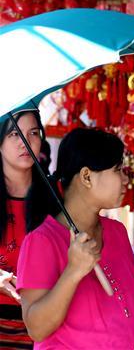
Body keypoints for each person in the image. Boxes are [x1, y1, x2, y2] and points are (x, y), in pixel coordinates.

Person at [16, 128, 134, 349]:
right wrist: (73, 272)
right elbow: (36, 329)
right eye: (117, 170)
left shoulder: (117, 232)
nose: (125, 179)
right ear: (86, 177)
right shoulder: (42, 241)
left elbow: (120, 309)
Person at [0, 110, 55, 350]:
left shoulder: (57, 195)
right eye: (15, 134)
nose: (26, 142)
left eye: (33, 133)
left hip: (45, 324)